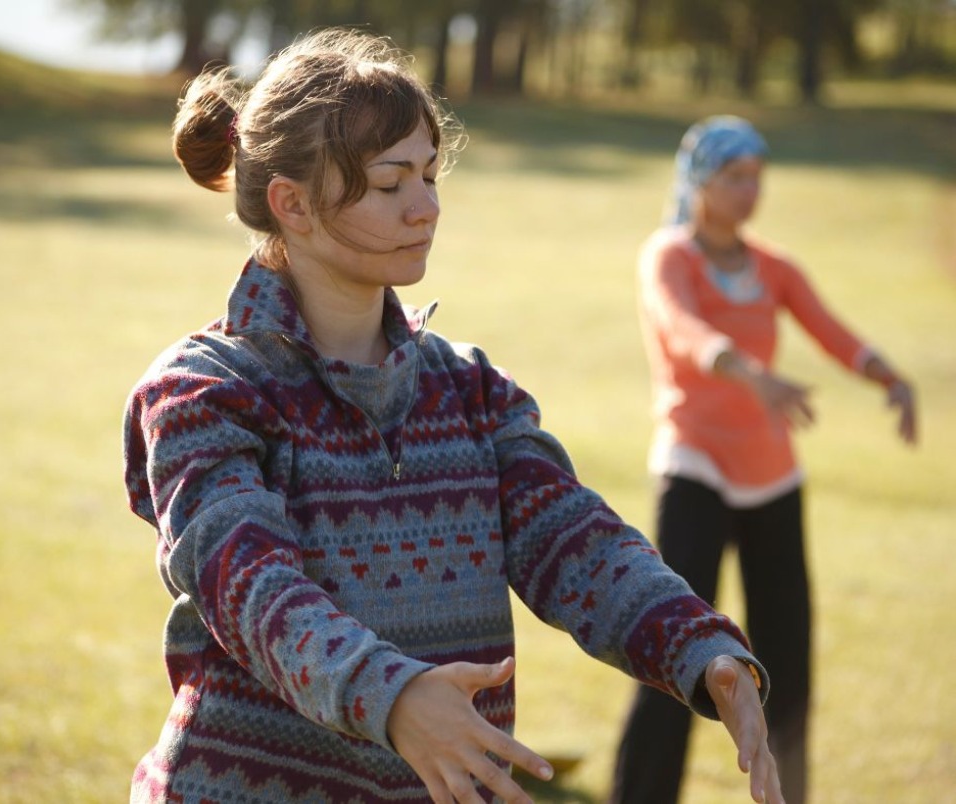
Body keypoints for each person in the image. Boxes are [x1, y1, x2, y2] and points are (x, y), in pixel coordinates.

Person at [123, 32, 784, 804]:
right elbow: (252, 589)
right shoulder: (205, 391)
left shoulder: (470, 390)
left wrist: (700, 649)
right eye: (389, 183)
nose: (427, 206)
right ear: (292, 204)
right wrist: (394, 697)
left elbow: (575, 540)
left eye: (431, 175)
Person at [610, 115, 918, 804]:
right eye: (736, 177)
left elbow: (830, 329)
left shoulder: (773, 265)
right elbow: (684, 331)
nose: (751, 191)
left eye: (758, 177)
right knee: (673, 646)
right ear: (701, 183)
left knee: (787, 656)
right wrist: (751, 373)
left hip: (771, 475)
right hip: (694, 467)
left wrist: (888, 377)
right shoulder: (670, 255)